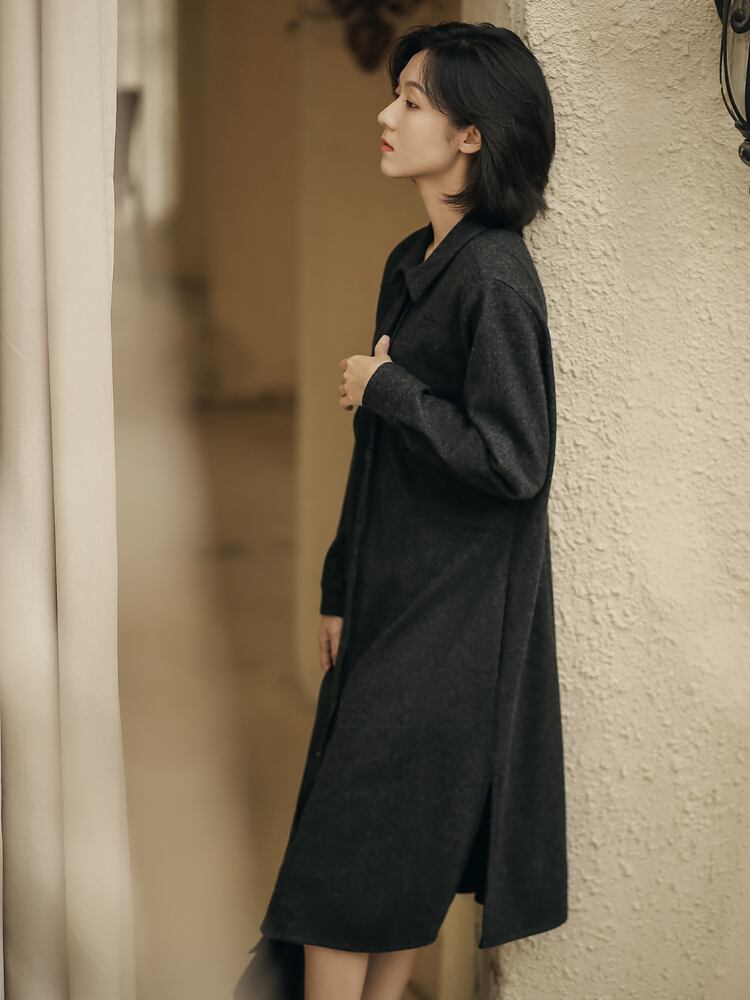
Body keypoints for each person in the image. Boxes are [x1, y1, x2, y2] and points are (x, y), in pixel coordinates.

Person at [242, 20, 567, 1000]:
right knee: (387, 862)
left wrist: (391, 391)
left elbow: (517, 461)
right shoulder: (413, 259)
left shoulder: (497, 278)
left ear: (472, 134)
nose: (387, 113)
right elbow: (380, 459)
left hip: (452, 626)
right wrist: (340, 585)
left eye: (412, 100)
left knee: (350, 861)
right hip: (389, 602)